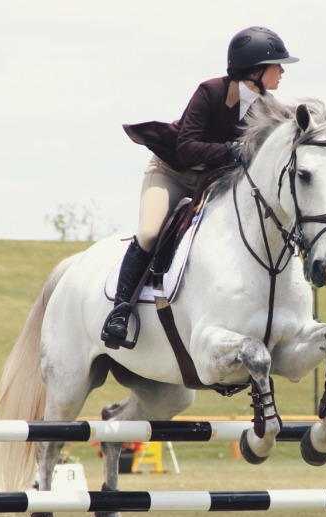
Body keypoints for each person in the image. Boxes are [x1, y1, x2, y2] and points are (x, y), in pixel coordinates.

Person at [102, 26, 299, 349]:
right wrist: (229, 150)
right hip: (171, 172)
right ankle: (120, 312)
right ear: (255, 70)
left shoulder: (271, 108)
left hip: (214, 181)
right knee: (151, 232)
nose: (282, 71)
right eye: (277, 64)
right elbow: (187, 148)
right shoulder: (210, 92)